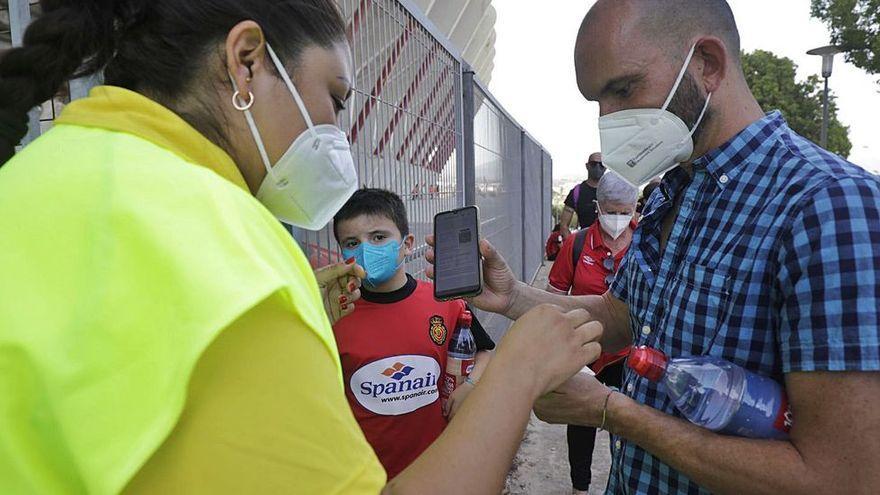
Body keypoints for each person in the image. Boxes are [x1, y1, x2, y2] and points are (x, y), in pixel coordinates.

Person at [0, 1, 604, 493]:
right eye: (335, 98)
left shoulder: (32, 177)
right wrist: (517, 373)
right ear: (246, 62)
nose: (337, 131)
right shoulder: (235, 256)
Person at [426, 1, 880, 493]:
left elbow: (842, 477)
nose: (609, 119)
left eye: (623, 89)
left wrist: (608, 410)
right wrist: (513, 296)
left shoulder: (831, 206)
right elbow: (621, 315)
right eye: (597, 101)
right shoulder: (673, 192)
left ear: (707, 63)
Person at [331, 188, 495, 479]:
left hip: (436, 468)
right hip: (366, 477)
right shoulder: (335, 315)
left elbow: (485, 351)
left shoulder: (445, 301)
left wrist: (470, 385)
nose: (366, 250)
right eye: (352, 243)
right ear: (342, 253)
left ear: (407, 244)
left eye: (379, 237)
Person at [547, 172, 638, 495]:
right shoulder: (578, 243)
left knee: (628, 423)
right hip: (586, 349)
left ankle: (625, 483)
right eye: (612, 211)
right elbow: (555, 295)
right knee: (582, 417)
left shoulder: (645, 241)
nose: (619, 218)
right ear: (598, 209)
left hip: (629, 354)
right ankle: (580, 487)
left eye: (625, 211)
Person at [560, 152, 606, 238]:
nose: (597, 167)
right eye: (593, 164)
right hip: (584, 245)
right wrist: (572, 245)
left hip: (609, 247)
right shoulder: (576, 192)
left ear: (605, 167)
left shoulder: (612, 191)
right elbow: (563, 225)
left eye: (601, 164)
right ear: (587, 166)